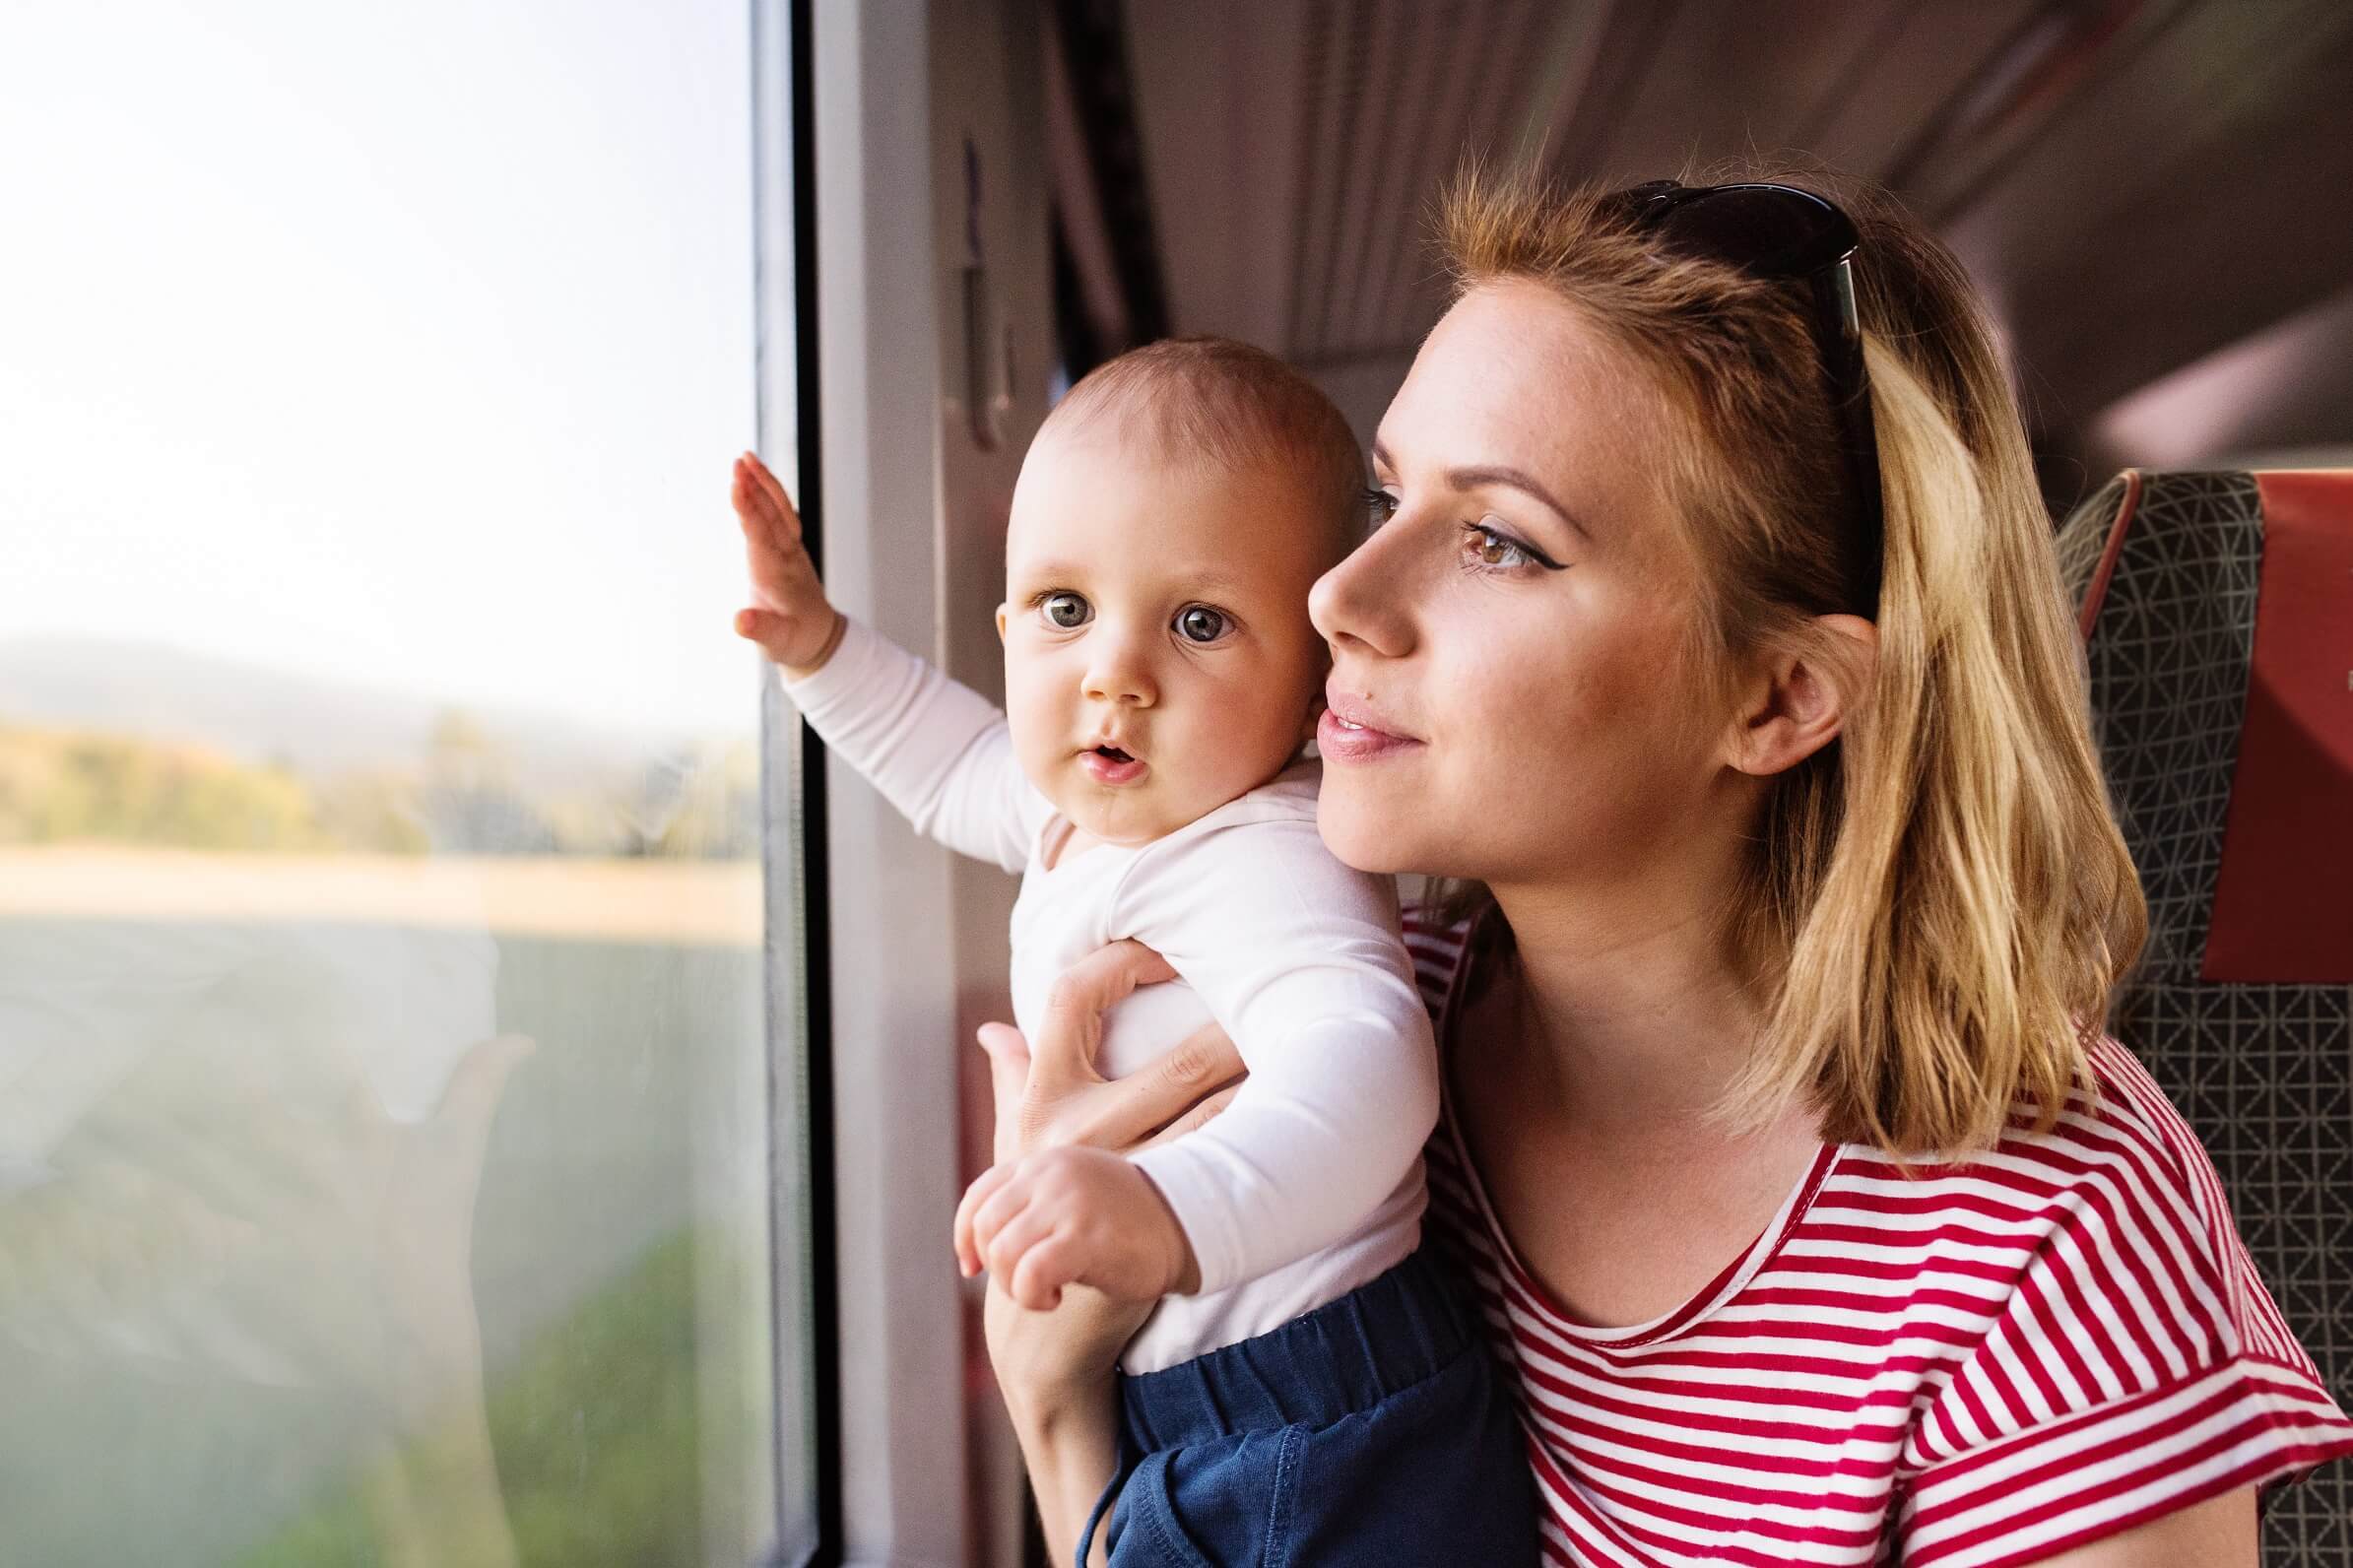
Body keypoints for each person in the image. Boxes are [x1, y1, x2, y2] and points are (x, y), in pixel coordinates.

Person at [977, 166, 2353, 1567]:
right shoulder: (1279, 1050)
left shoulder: (2046, 1233)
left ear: (1777, 698)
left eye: (1499, 542)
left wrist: (1057, 1411)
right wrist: (1053, 1395)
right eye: (1385, 496)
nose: (1338, 595)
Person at [731, 337, 1538, 1565]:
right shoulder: (1089, 812)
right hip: (1209, 1403)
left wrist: (1170, 1208)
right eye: (1066, 610)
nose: (1115, 673)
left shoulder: (1262, 851)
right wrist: (817, 649)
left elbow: (1372, 1057)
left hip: (1317, 1422)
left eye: (1200, 623)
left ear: (1319, 674)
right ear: (1006, 623)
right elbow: (950, 765)